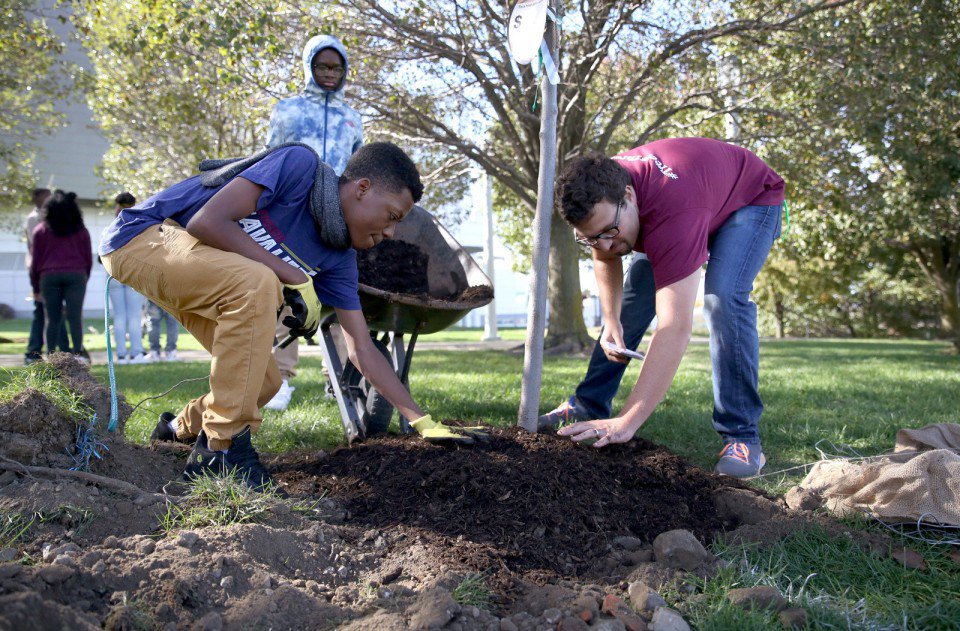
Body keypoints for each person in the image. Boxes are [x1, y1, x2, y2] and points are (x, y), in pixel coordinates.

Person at [99, 142, 478, 493]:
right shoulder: (300, 168)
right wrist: (294, 276)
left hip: (199, 270)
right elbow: (206, 222)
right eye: (392, 216)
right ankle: (221, 451)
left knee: (265, 380)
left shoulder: (339, 260)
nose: (392, 232)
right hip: (144, 237)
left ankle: (176, 428)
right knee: (258, 281)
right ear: (362, 188)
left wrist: (419, 419)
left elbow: (360, 346)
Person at [541, 138, 784, 478]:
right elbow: (604, 252)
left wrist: (627, 422)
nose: (606, 245)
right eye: (591, 238)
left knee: (723, 299)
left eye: (610, 232)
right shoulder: (598, 190)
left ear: (628, 196)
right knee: (632, 301)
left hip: (750, 200)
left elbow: (674, 327)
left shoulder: (675, 214)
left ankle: (743, 439)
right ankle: (587, 404)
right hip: (691, 197)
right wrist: (611, 320)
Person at [263, 34, 364, 411]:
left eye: (336, 67)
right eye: (322, 65)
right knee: (287, 292)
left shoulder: (351, 117)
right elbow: (270, 160)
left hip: (337, 221)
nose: (329, 74)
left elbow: (357, 170)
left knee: (338, 296)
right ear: (309, 66)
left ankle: (338, 377)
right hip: (294, 215)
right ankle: (279, 380)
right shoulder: (286, 110)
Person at [29, 190, 92, 364]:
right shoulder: (81, 231)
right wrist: (84, 278)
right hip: (76, 275)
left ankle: (51, 357)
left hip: (49, 276)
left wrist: (35, 287)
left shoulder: (40, 230)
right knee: (74, 316)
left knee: (52, 318)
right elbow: (88, 259)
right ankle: (79, 355)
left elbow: (35, 262)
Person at [24, 188, 68, 363]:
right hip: (42, 272)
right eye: (48, 198)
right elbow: (37, 248)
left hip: (53, 270)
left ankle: (63, 350)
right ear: (39, 200)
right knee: (44, 312)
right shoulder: (34, 220)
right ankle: (34, 351)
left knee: (55, 311)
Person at [106, 192, 150, 364]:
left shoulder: (110, 227)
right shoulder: (139, 225)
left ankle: (122, 354)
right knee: (134, 315)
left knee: (119, 315)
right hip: (133, 273)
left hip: (113, 274)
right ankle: (137, 352)